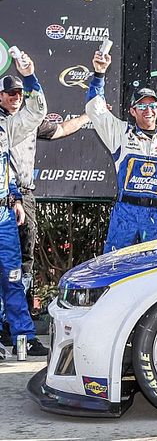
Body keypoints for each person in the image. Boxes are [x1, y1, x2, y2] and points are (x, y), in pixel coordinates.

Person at [87, 52, 157, 252]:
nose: (149, 110)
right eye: (142, 106)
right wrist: (99, 74)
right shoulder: (121, 133)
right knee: (116, 266)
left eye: (153, 105)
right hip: (126, 212)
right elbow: (95, 110)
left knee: (155, 269)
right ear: (133, 111)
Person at [1, 80, 89, 297]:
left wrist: (88, 117)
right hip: (2, 194)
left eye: (20, 93)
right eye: (11, 92)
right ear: (0, 95)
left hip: (25, 194)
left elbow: (61, 129)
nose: (16, 96)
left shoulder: (28, 120)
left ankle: (22, 303)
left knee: (26, 252)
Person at [0, 54, 48, 357]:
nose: (15, 98)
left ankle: (23, 335)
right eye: (11, 92)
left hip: (4, 211)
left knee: (13, 275)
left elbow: (37, 112)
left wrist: (30, 77)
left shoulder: (6, 126)